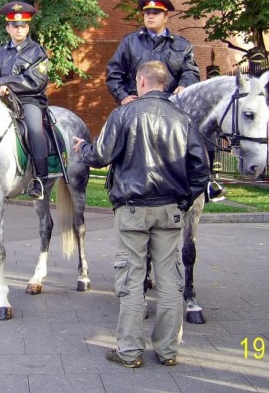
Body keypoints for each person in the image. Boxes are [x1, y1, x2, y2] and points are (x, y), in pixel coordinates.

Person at [72, 61, 209, 368]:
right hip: (170, 209)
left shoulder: (124, 114)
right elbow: (201, 170)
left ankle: (130, 352)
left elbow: (100, 155)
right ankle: (168, 351)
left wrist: (81, 148)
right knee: (171, 279)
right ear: (165, 84)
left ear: (141, 82)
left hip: (132, 208)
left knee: (132, 278)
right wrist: (183, 201)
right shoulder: (182, 118)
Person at [0, 1, 50, 199]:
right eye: (14, 25)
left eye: (23, 25)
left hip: (29, 100)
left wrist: (6, 83)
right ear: (7, 28)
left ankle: (40, 180)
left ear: (28, 27)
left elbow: (35, 81)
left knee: (35, 130)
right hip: (3, 101)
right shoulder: (1, 52)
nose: (19, 29)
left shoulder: (37, 52)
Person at [106, 0, 200, 105]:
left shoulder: (182, 45)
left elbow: (190, 71)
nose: (150, 16)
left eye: (155, 13)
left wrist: (184, 86)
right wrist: (122, 96)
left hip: (171, 105)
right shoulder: (129, 42)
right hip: (137, 106)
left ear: (165, 17)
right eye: (147, 13)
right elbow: (114, 73)